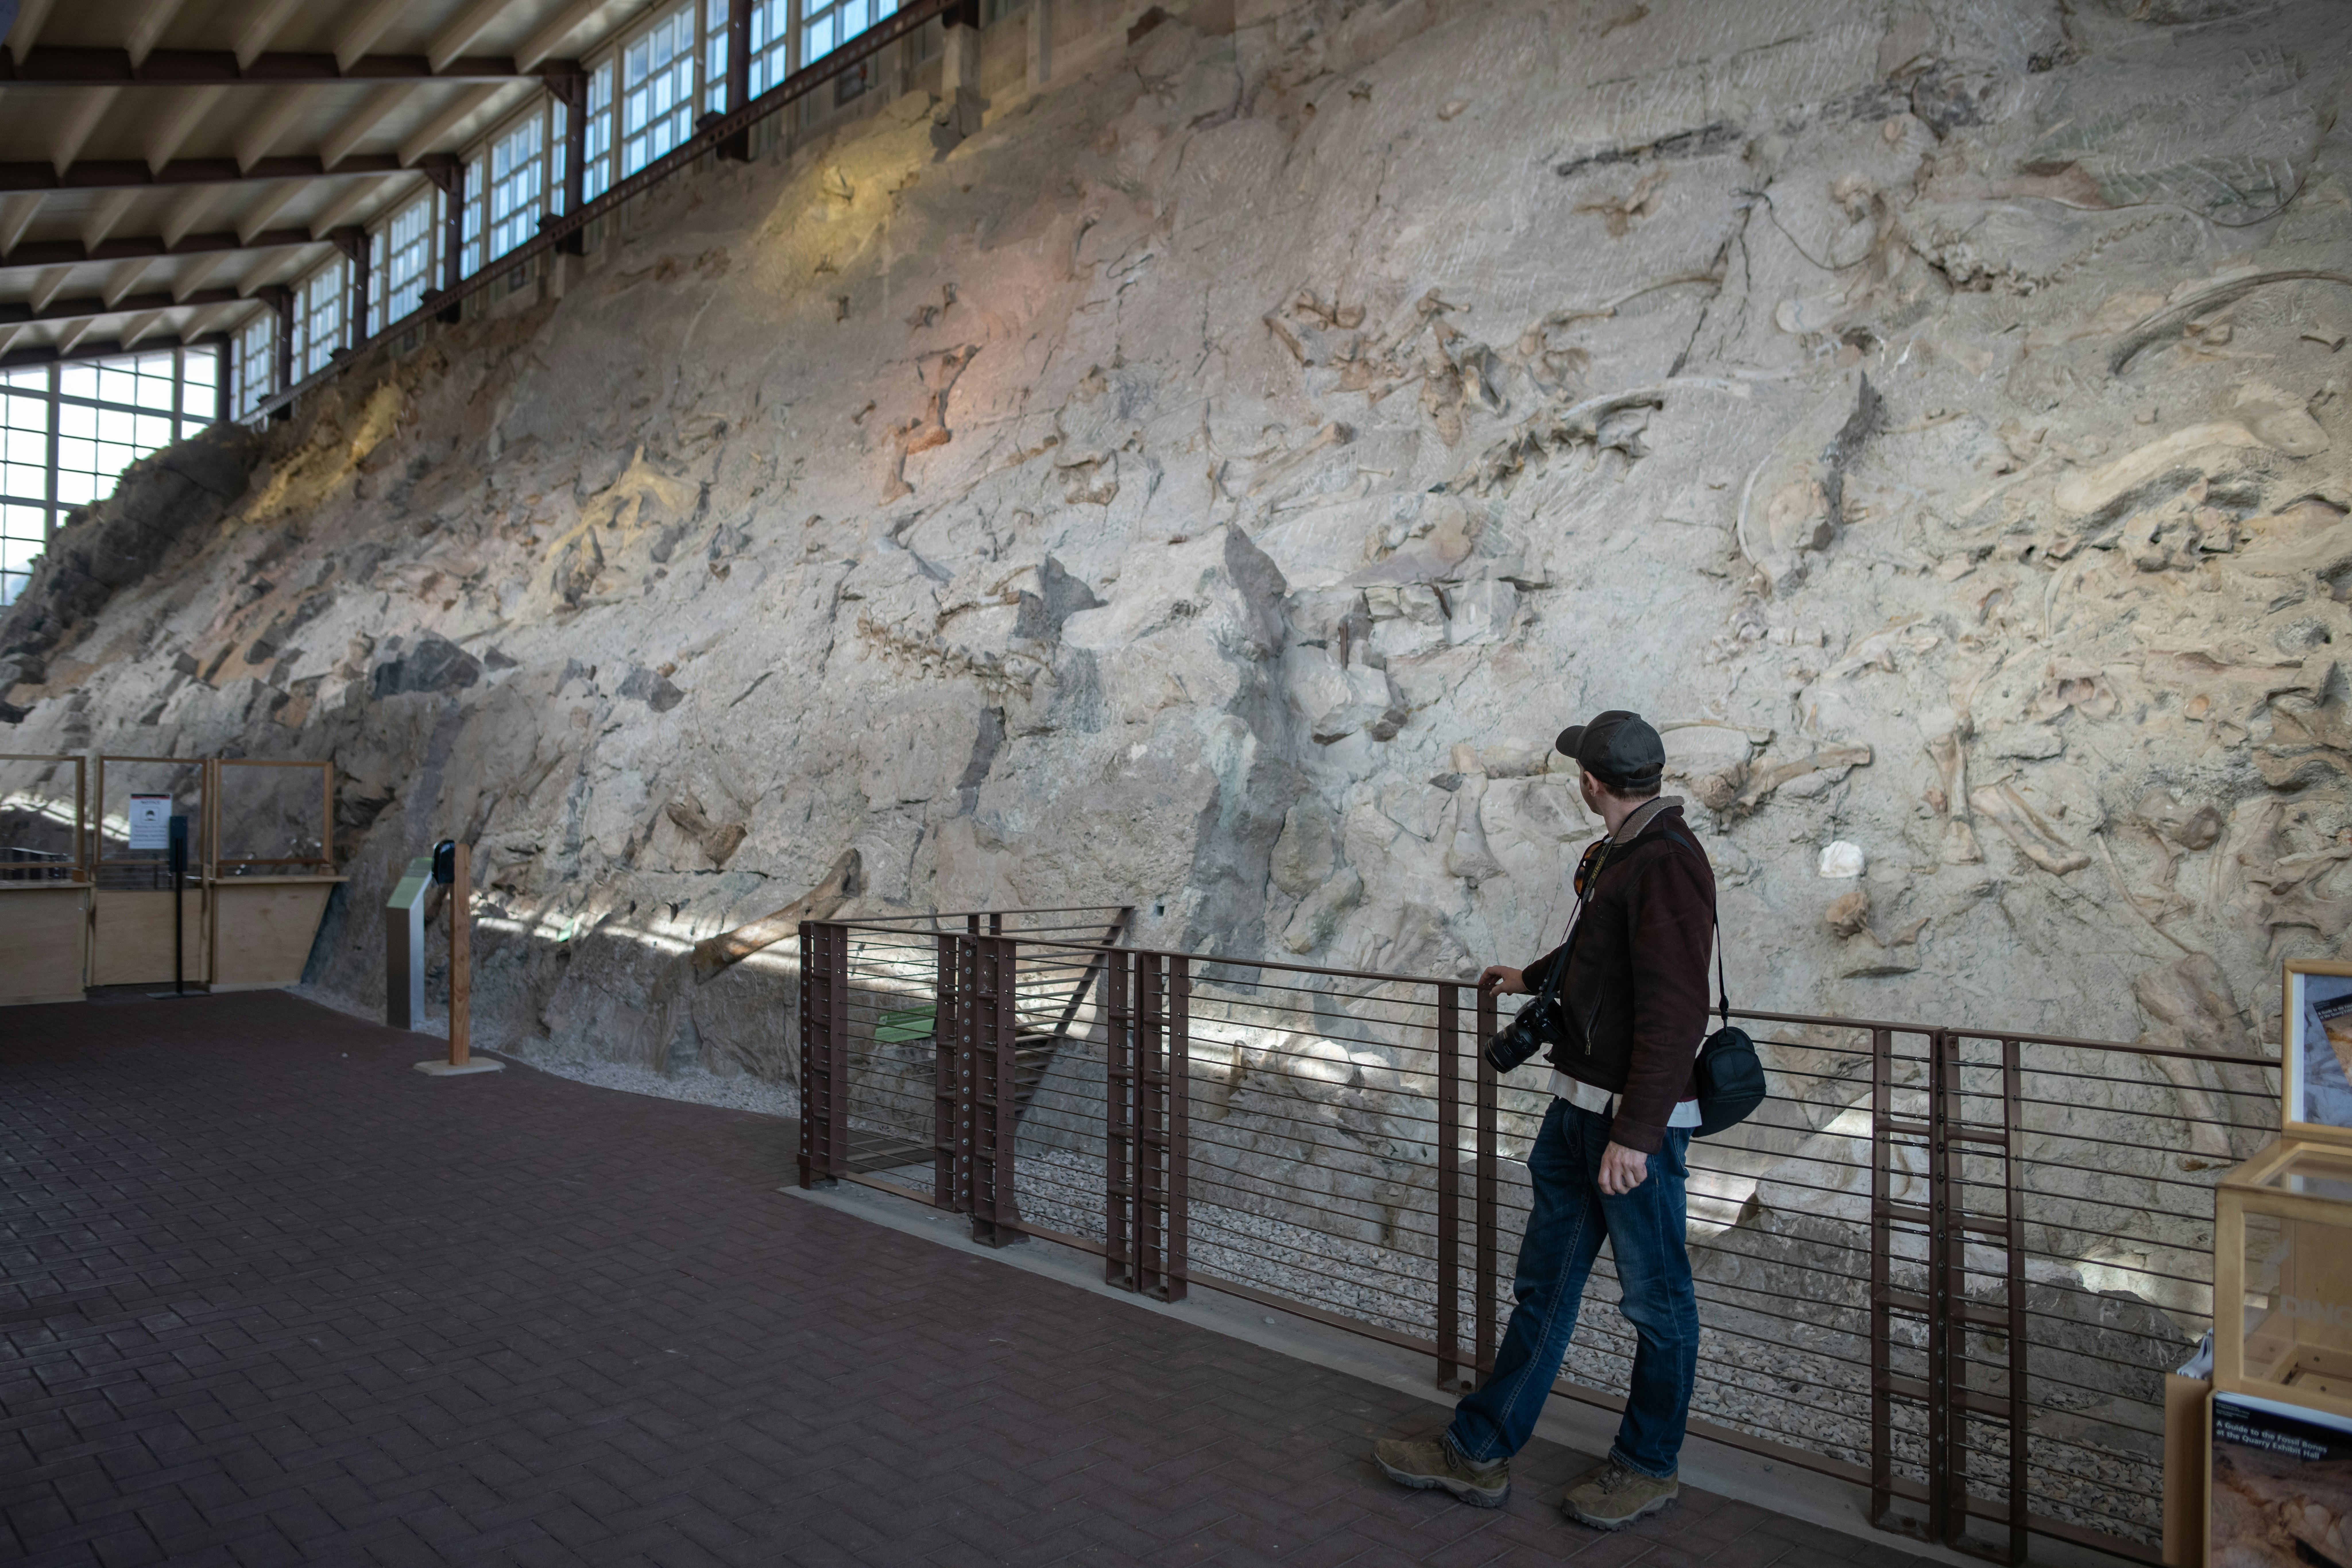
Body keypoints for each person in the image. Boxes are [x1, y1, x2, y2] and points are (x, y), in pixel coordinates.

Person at [1374, 709, 1716, 1532]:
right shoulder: (1624, 852)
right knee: (1545, 1291)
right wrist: (1531, 979)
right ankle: (1478, 1452)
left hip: (1631, 1131)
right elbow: (1601, 961)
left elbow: (1676, 1013)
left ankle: (1647, 1466)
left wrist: (1636, 1137)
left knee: (1658, 1304)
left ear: (1591, 782)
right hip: (1578, 1112)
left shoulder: (1666, 861)